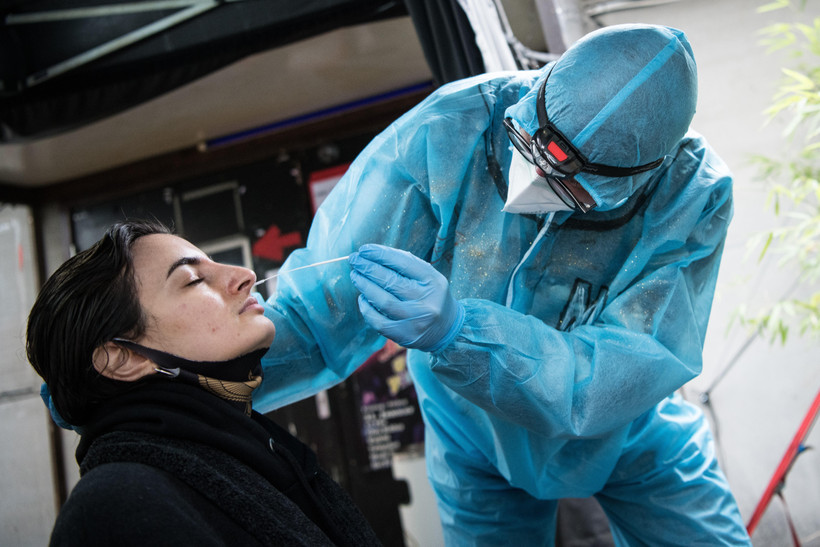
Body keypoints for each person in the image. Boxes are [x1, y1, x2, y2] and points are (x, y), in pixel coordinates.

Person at [254, 23, 752, 545]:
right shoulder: (450, 129)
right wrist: (197, 375)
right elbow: (320, 313)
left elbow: (619, 372)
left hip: (628, 437)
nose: (531, 183)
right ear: (539, 88)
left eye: (572, 189)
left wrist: (463, 333)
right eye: (526, 143)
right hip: (471, 433)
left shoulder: (691, 196)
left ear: (642, 176)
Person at [27, 220, 382, 547]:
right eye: (193, 280)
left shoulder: (247, 453)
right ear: (123, 358)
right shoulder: (114, 508)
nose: (245, 275)